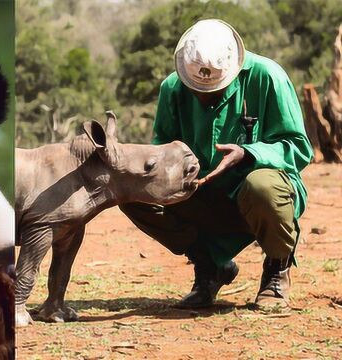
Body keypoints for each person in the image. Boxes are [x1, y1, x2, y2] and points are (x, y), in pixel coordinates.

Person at [120, 19, 313, 311]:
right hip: (203, 195)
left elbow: (299, 148)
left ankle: (277, 269)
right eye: (196, 87)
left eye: (213, 88)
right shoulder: (172, 88)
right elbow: (162, 152)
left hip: (262, 195)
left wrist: (248, 154)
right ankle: (209, 266)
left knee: (261, 186)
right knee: (136, 194)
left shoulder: (267, 77)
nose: (202, 94)